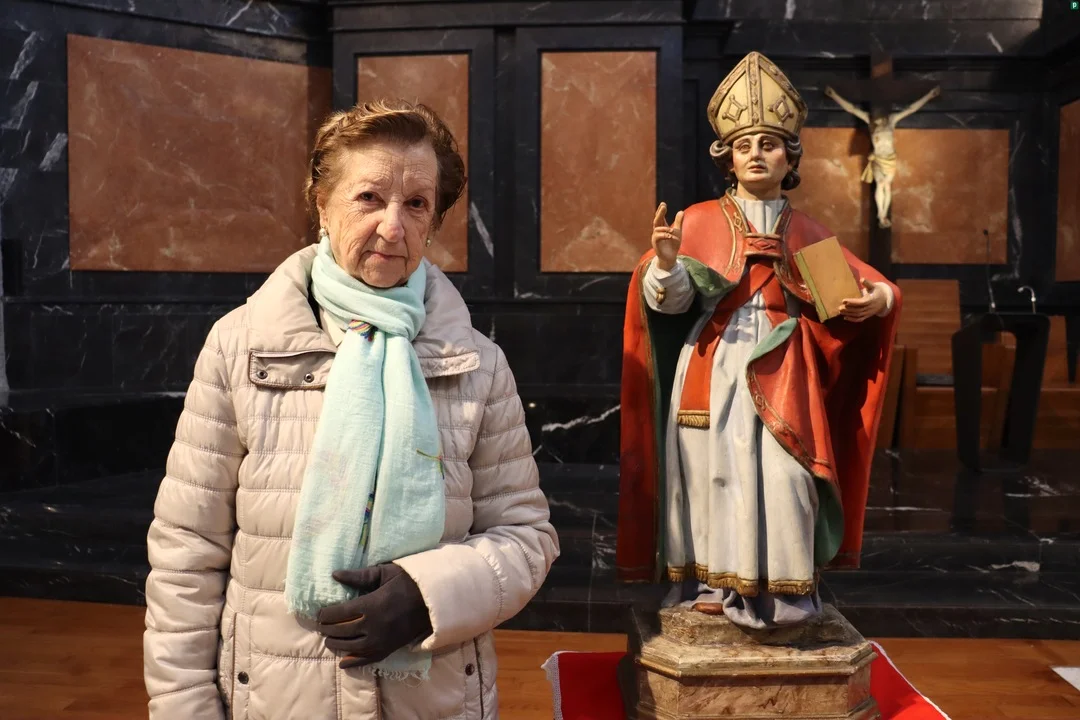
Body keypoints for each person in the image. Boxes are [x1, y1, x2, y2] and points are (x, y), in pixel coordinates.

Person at [143, 99, 559, 719]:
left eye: (416, 203)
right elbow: (188, 550)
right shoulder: (239, 348)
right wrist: (185, 707)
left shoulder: (478, 363)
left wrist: (429, 596)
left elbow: (528, 537)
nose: (393, 227)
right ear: (321, 204)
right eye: (369, 198)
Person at [615, 52, 902, 629]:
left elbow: (863, 291)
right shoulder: (697, 222)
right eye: (743, 145)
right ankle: (710, 582)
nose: (755, 154)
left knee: (787, 476)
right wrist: (666, 266)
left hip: (786, 367)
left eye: (769, 144)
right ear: (727, 157)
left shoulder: (807, 232)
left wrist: (876, 300)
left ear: (790, 156)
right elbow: (666, 304)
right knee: (713, 474)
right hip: (714, 364)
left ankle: (784, 589)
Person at [824, 83, 941, 228]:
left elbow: (911, 109)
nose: (877, 113)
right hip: (878, 158)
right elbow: (851, 109)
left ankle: (884, 214)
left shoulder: (891, 120)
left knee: (886, 185)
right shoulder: (870, 121)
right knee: (880, 184)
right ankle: (881, 215)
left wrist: (929, 96)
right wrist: (834, 95)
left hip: (889, 159)